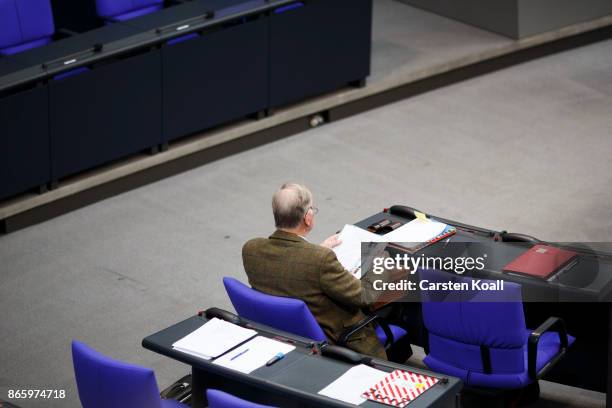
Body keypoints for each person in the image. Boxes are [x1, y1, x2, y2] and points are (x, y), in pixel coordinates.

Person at [242, 183, 387, 359]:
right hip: (336, 337)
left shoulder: (251, 249)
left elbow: (288, 266)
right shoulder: (320, 259)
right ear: (308, 218)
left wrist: (316, 250)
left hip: (281, 331)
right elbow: (364, 295)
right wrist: (380, 259)